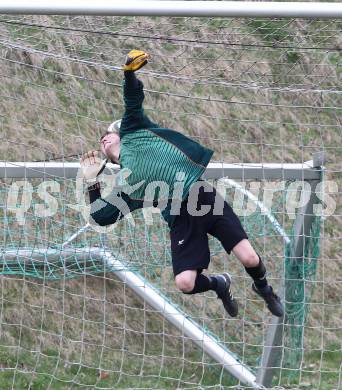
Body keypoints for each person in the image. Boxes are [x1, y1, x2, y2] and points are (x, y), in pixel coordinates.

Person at [80, 50, 284, 318]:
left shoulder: (134, 130)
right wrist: (92, 181)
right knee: (185, 283)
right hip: (180, 219)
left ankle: (264, 287)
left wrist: (129, 74)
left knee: (249, 258)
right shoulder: (126, 185)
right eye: (101, 141)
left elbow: (132, 98)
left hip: (203, 199)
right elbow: (100, 217)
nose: (104, 139)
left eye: (108, 134)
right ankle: (219, 284)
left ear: (119, 132)